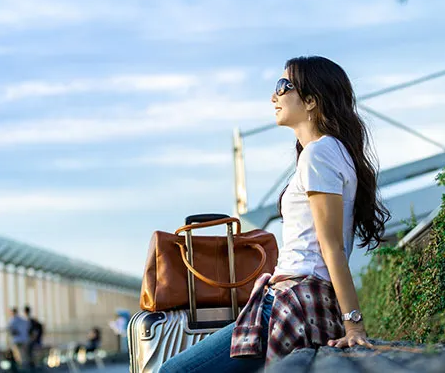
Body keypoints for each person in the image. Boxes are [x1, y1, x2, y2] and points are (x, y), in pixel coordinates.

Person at [159, 56, 390, 372]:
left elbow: (331, 247)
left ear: (311, 101)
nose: (274, 96)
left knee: (171, 371)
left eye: (283, 86)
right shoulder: (333, 151)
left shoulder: (319, 153)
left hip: (293, 302)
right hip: (301, 299)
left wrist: (354, 324)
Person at [7, 307, 29, 371]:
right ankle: (26, 369)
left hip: (17, 341)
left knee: (18, 357)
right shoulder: (23, 320)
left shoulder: (13, 320)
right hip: (25, 340)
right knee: (24, 357)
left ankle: (21, 369)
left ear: (12, 312)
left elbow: (12, 331)